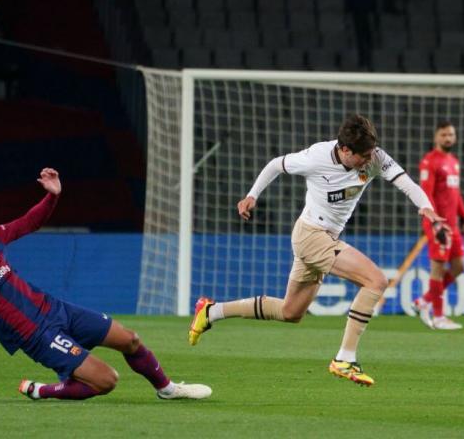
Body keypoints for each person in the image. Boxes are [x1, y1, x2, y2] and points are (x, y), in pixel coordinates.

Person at [187, 114, 445, 386]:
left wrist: (425, 207)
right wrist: (252, 195)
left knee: (291, 312)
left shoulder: (375, 156)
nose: (369, 160)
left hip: (321, 236)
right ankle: (345, 358)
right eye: (363, 155)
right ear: (345, 150)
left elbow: (406, 182)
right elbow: (276, 165)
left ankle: (212, 311)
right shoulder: (315, 157)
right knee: (376, 280)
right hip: (312, 235)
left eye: (371, 153)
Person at [0, 168, 212, 402]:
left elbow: (28, 223)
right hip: (37, 336)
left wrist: (52, 196)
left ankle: (167, 389)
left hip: (56, 309)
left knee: (130, 339)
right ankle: (44, 391)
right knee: (107, 380)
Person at [411, 121, 464, 330]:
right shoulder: (429, 162)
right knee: (437, 269)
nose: (448, 138)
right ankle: (438, 317)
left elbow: (456, 196)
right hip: (437, 224)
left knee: (459, 266)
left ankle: (424, 301)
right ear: (436, 137)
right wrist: (435, 223)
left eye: (451, 134)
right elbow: (426, 193)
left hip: (454, 226)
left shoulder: (454, 162)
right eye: (444, 135)